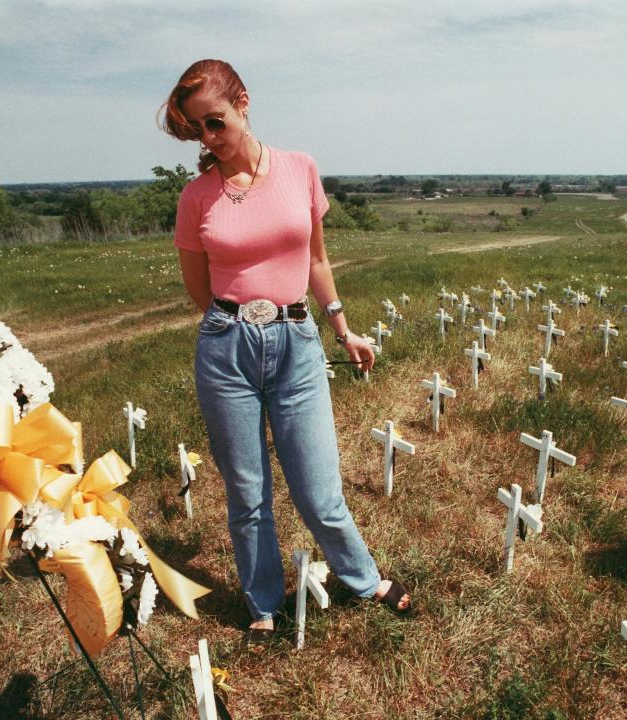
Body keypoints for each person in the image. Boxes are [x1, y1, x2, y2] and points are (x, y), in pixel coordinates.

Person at [161, 59, 411, 642]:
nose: (209, 138)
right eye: (198, 130)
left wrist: (342, 328)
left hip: (298, 343)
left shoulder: (300, 169)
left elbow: (317, 260)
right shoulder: (197, 197)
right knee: (248, 492)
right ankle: (263, 604)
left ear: (243, 102)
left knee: (319, 490)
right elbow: (200, 289)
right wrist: (239, 321)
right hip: (228, 350)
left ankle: (363, 578)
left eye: (215, 122)